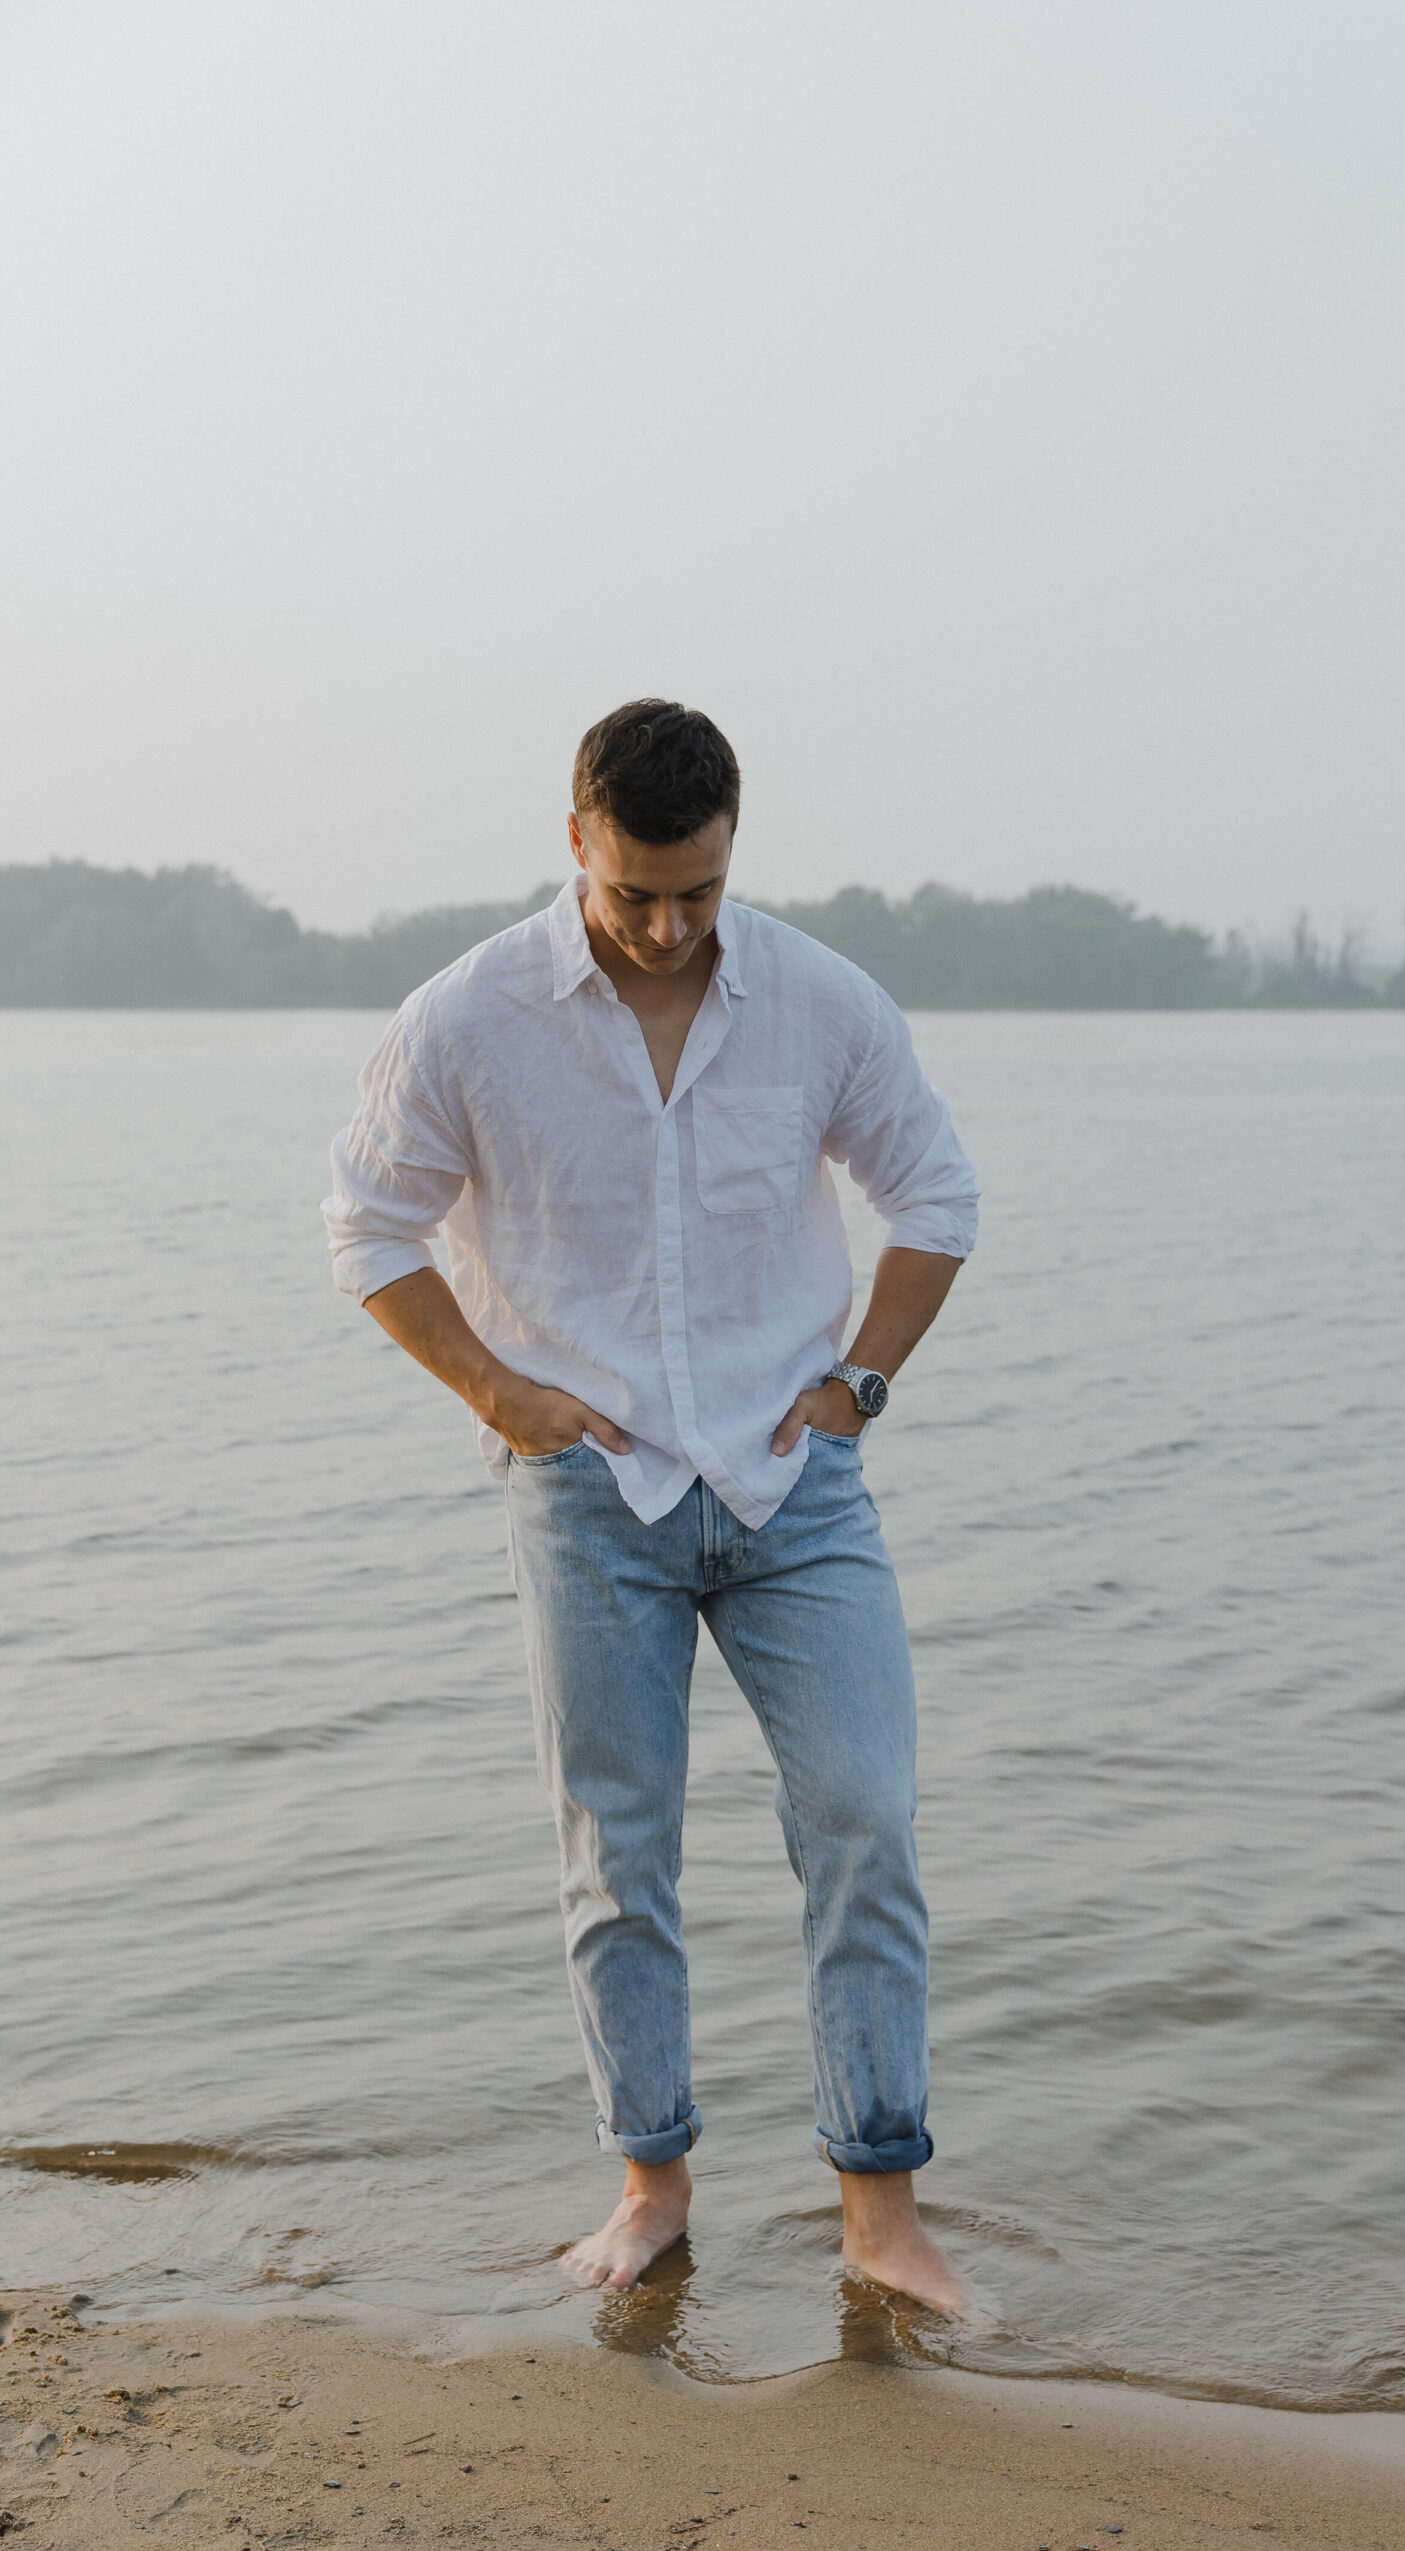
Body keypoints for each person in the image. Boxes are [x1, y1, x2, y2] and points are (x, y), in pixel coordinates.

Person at [322, 699, 979, 2312]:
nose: (669, 927)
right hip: (587, 1491)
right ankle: (651, 2187)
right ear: (574, 848)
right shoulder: (467, 1018)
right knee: (618, 1857)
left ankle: (878, 2214)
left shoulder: (818, 1002)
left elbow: (936, 1198)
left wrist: (859, 1387)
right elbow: (367, 1229)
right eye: (636, 896)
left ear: (730, 846)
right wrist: (498, 1394)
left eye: (696, 889)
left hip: (791, 1487)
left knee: (865, 1824)